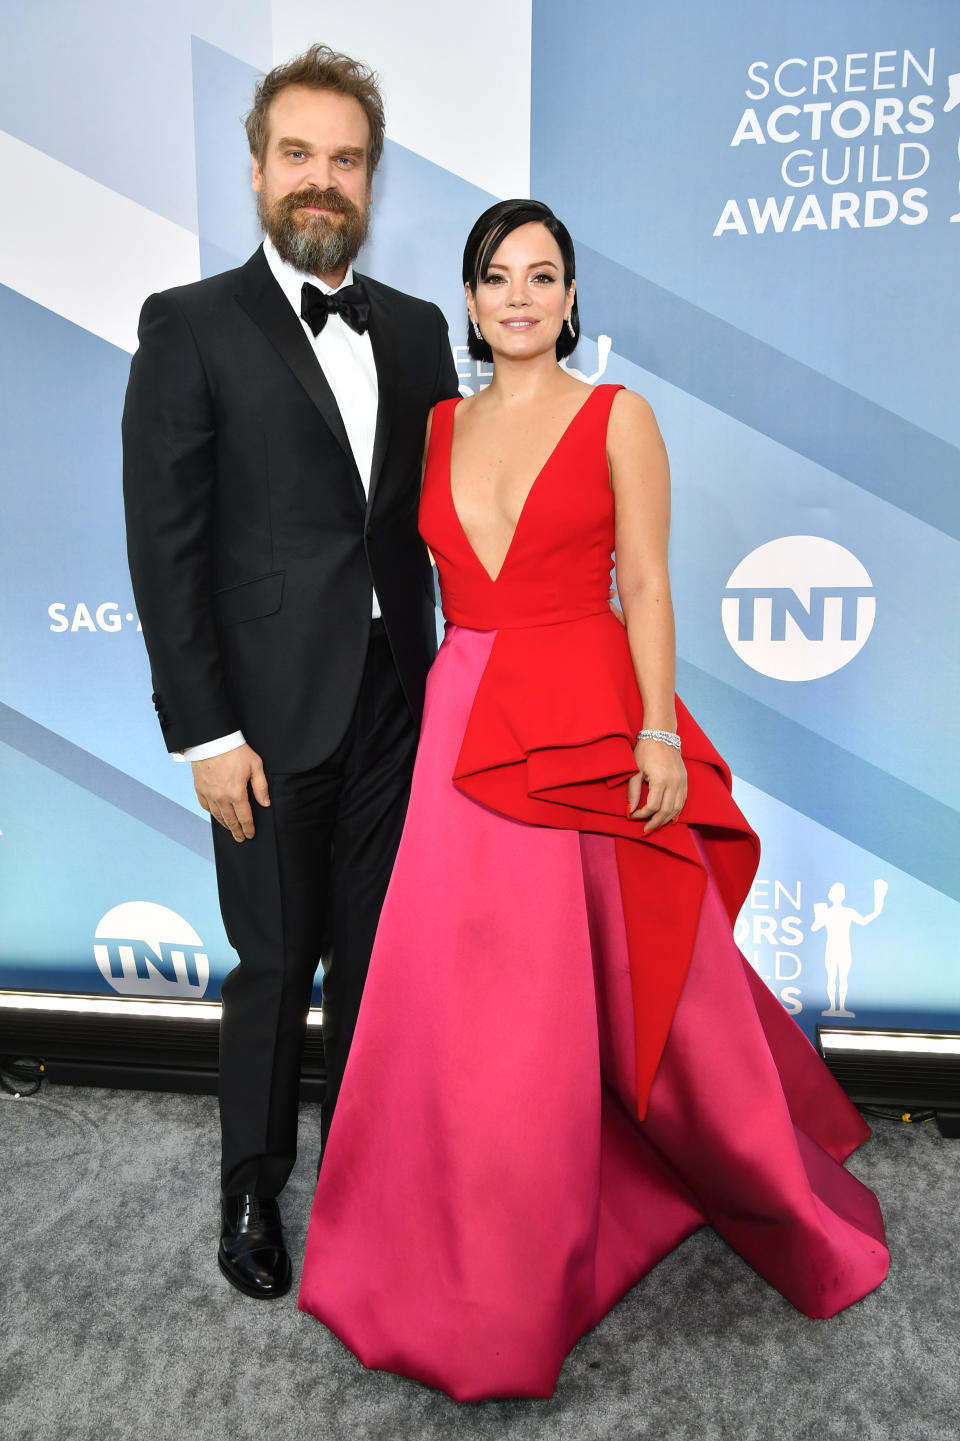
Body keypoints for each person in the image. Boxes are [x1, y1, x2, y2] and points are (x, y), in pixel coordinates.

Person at [297, 199, 889, 1400]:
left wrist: (661, 726)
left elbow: (652, 585)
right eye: (498, 277)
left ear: (571, 299)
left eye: (544, 275)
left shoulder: (622, 418)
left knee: (649, 981)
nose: (521, 295)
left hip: (589, 716)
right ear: (470, 302)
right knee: (469, 1011)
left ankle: (753, 1176)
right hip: (465, 728)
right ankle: (461, 1260)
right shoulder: (435, 423)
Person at [122, 45, 459, 1301]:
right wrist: (203, 733)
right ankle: (254, 1187)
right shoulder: (192, 323)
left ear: (374, 181)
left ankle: (368, 1175)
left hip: (396, 702)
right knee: (275, 959)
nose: (324, 181)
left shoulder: (420, 331)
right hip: (261, 717)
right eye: (301, 155)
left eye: (348, 160)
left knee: (378, 958)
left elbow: (440, 517)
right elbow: (169, 547)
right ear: (260, 168)